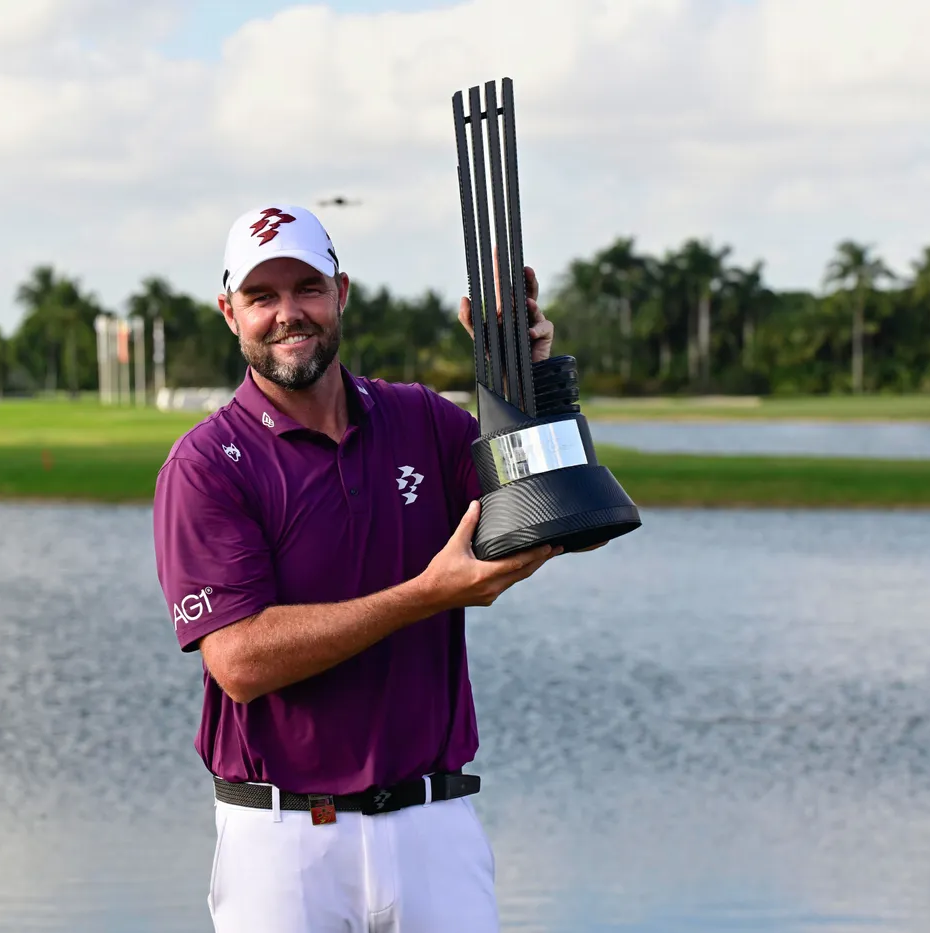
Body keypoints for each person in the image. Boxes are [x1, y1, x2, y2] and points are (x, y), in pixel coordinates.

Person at [152, 204, 603, 932]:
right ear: (229, 312)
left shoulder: (420, 419)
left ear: (341, 293)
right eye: (262, 296)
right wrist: (424, 595)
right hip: (283, 843)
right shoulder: (207, 464)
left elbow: (560, 516)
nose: (288, 314)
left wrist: (529, 382)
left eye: (308, 288)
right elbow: (238, 660)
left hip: (434, 828)